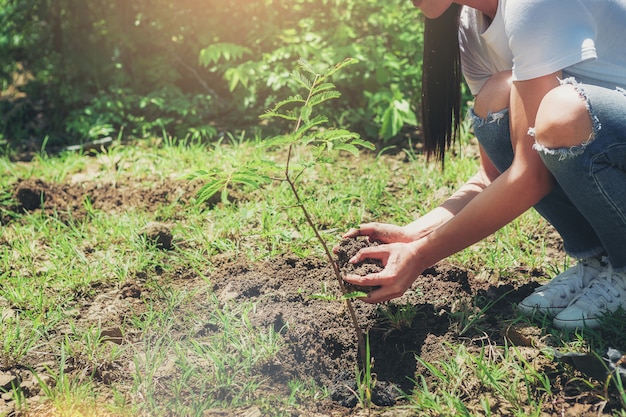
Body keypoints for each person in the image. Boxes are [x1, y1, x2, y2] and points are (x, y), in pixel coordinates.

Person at [338, 0, 626, 329]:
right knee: (497, 96)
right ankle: (600, 259)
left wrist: (420, 256)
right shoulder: (470, 28)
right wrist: (411, 235)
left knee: (562, 113)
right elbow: (492, 176)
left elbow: (529, 178)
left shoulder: (532, 6)